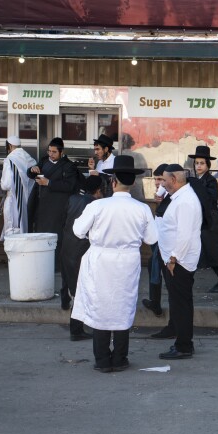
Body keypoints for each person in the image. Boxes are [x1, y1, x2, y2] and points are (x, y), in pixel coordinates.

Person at [70, 155, 158, 372]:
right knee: (122, 307)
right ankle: (120, 358)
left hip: (100, 260)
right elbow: (152, 239)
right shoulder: (142, 209)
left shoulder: (98, 206)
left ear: (112, 181)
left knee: (101, 308)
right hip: (127, 261)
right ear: (133, 183)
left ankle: (102, 360)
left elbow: (78, 230)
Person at [27, 137, 82, 309]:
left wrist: (49, 182)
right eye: (49, 151)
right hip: (42, 206)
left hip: (58, 208)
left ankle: (57, 266)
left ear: (61, 152)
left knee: (56, 236)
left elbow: (70, 185)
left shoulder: (68, 166)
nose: (50, 154)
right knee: (42, 234)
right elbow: (31, 173)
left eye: (54, 152)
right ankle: (44, 264)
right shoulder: (44, 162)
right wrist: (32, 169)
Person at [156, 164, 203, 360]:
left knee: (181, 304)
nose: (163, 183)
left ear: (174, 180)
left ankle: (184, 345)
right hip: (174, 259)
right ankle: (182, 341)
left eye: (165, 180)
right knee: (178, 303)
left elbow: (184, 236)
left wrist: (173, 259)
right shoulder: (180, 197)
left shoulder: (185, 201)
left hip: (179, 261)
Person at [60, 176, 103, 341]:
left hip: (67, 248)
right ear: (98, 190)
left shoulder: (72, 198)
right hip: (82, 252)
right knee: (81, 292)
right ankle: (76, 330)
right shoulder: (94, 204)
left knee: (71, 287)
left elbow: (63, 221)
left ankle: (66, 304)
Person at [188, 145, 218, 293]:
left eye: (201, 163)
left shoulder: (210, 181)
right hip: (198, 221)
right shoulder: (195, 180)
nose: (198, 166)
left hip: (210, 222)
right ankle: (185, 281)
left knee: (215, 253)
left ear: (207, 165)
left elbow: (210, 200)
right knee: (193, 252)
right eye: (196, 163)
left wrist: (195, 185)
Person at [143, 164, 172, 321]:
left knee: (156, 267)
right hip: (159, 240)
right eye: (155, 179)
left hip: (165, 243)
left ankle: (156, 304)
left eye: (160, 179)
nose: (157, 182)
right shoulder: (164, 196)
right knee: (152, 265)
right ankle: (155, 302)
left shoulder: (172, 196)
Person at [0, 135, 36, 239]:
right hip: (26, 199)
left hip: (12, 200)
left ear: (10, 146)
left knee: (12, 229)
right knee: (23, 227)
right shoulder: (29, 158)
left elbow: (5, 184)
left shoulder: (9, 160)